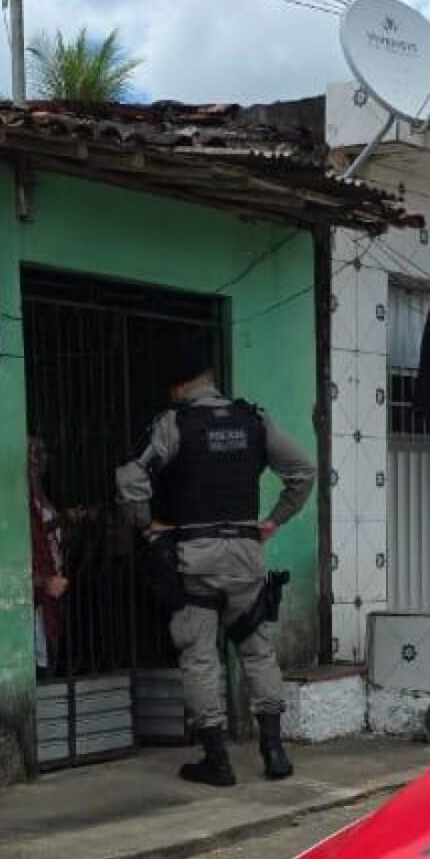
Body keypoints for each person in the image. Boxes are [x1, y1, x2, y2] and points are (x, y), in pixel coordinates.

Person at [116, 335, 316, 787]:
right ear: (210, 377)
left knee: (200, 656)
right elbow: (303, 472)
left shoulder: (174, 424)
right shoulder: (254, 420)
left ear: (177, 385)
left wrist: (147, 526)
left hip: (194, 558)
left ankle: (217, 761)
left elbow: (130, 477)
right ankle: (274, 751)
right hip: (246, 554)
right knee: (257, 650)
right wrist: (274, 520)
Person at [28, 434, 69, 677]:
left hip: (53, 576)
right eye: (33, 452)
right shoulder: (21, 496)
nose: (38, 458)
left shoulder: (46, 491)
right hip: (38, 582)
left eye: (42, 451)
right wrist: (42, 581)